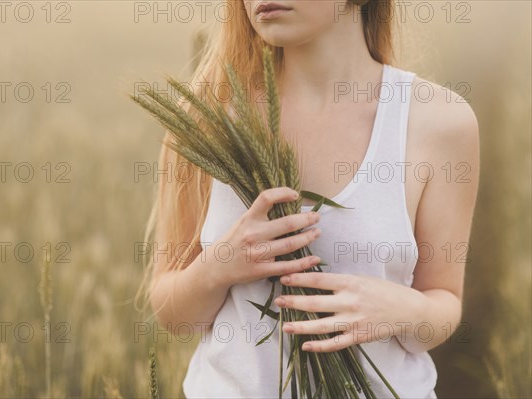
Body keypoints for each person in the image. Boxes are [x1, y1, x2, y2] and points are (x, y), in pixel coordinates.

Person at [135, 0, 480, 397]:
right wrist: (219, 267)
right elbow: (173, 314)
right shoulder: (205, 119)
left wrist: (402, 310)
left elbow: (445, 302)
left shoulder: (438, 121)